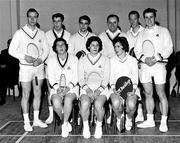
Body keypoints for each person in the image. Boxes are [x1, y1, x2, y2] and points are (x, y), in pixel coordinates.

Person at [8, 8, 49, 132]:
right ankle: (26, 122)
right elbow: (11, 50)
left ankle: (36, 120)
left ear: (37, 17)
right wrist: (25, 57)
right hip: (25, 69)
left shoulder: (41, 33)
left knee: (38, 93)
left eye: (34, 17)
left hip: (39, 68)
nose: (32, 19)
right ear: (27, 17)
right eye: (30, 17)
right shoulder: (19, 33)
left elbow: (46, 50)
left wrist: (40, 60)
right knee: (26, 94)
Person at [134, 8, 173, 132]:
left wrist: (156, 58)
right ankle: (150, 120)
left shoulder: (163, 31)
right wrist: (145, 59)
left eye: (151, 17)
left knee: (161, 94)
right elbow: (137, 50)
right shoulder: (141, 33)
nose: (149, 19)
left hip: (159, 66)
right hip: (145, 67)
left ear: (155, 17)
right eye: (146, 17)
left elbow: (169, 48)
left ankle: (163, 121)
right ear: (143, 19)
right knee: (148, 94)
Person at [78, 36, 110, 139]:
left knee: (98, 104)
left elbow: (106, 78)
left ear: (100, 47)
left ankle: (99, 127)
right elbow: (80, 79)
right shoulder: (82, 60)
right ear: (88, 46)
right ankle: (86, 126)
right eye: (92, 45)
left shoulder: (105, 60)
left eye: (97, 45)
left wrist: (98, 90)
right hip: (86, 88)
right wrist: (87, 90)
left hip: (102, 89)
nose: (95, 47)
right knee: (84, 103)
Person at [47, 38, 78, 138]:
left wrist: (68, 88)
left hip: (71, 88)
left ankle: (63, 124)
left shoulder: (74, 58)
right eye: (58, 45)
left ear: (66, 46)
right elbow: (50, 77)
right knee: (55, 101)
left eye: (62, 44)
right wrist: (57, 88)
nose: (60, 47)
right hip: (57, 88)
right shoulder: (51, 60)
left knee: (68, 99)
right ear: (55, 48)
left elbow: (76, 76)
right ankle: (65, 122)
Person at [45, 13, 71, 124]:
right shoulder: (47, 34)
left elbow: (69, 52)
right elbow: (45, 51)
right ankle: (52, 115)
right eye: (54, 21)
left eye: (59, 21)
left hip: (64, 66)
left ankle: (67, 114)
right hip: (51, 66)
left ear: (62, 21)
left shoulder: (68, 35)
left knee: (66, 91)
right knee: (51, 90)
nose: (56, 23)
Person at [109, 36, 139, 132]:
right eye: (115, 46)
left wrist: (133, 90)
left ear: (124, 47)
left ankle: (129, 118)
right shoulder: (111, 61)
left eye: (118, 46)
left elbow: (135, 78)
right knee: (116, 103)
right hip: (116, 90)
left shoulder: (133, 60)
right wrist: (114, 89)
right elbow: (111, 78)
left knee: (131, 104)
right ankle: (119, 117)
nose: (115, 49)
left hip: (131, 89)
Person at [126, 10, 145, 122]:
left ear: (139, 19)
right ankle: (138, 111)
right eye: (131, 19)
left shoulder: (145, 32)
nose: (133, 21)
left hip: (142, 65)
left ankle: (141, 111)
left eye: (135, 18)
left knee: (143, 89)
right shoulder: (127, 34)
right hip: (131, 67)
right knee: (135, 88)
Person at [0, 39, 19, 105]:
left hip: (13, 74)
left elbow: (16, 66)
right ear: (7, 44)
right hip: (4, 73)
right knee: (2, 78)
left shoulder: (17, 53)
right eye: (10, 43)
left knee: (2, 80)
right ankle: (2, 98)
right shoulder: (3, 52)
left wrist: (6, 66)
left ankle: (2, 99)